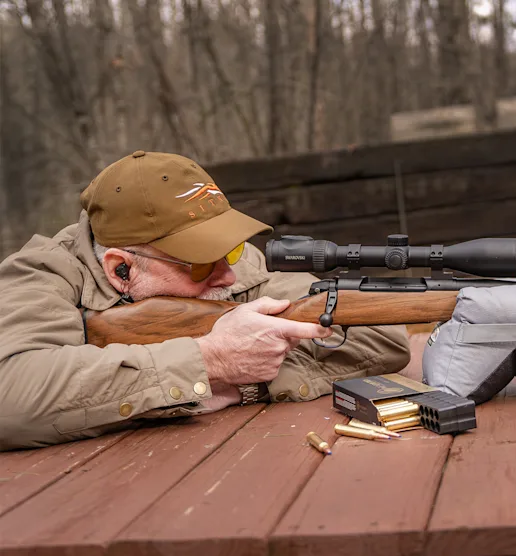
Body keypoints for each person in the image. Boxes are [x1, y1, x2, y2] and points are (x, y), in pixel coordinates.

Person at [0, 150, 411, 451]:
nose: (228, 274)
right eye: (199, 262)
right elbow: (11, 398)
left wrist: (242, 385)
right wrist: (209, 363)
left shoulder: (232, 265)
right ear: (120, 268)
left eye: (229, 250)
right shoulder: (41, 275)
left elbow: (380, 337)